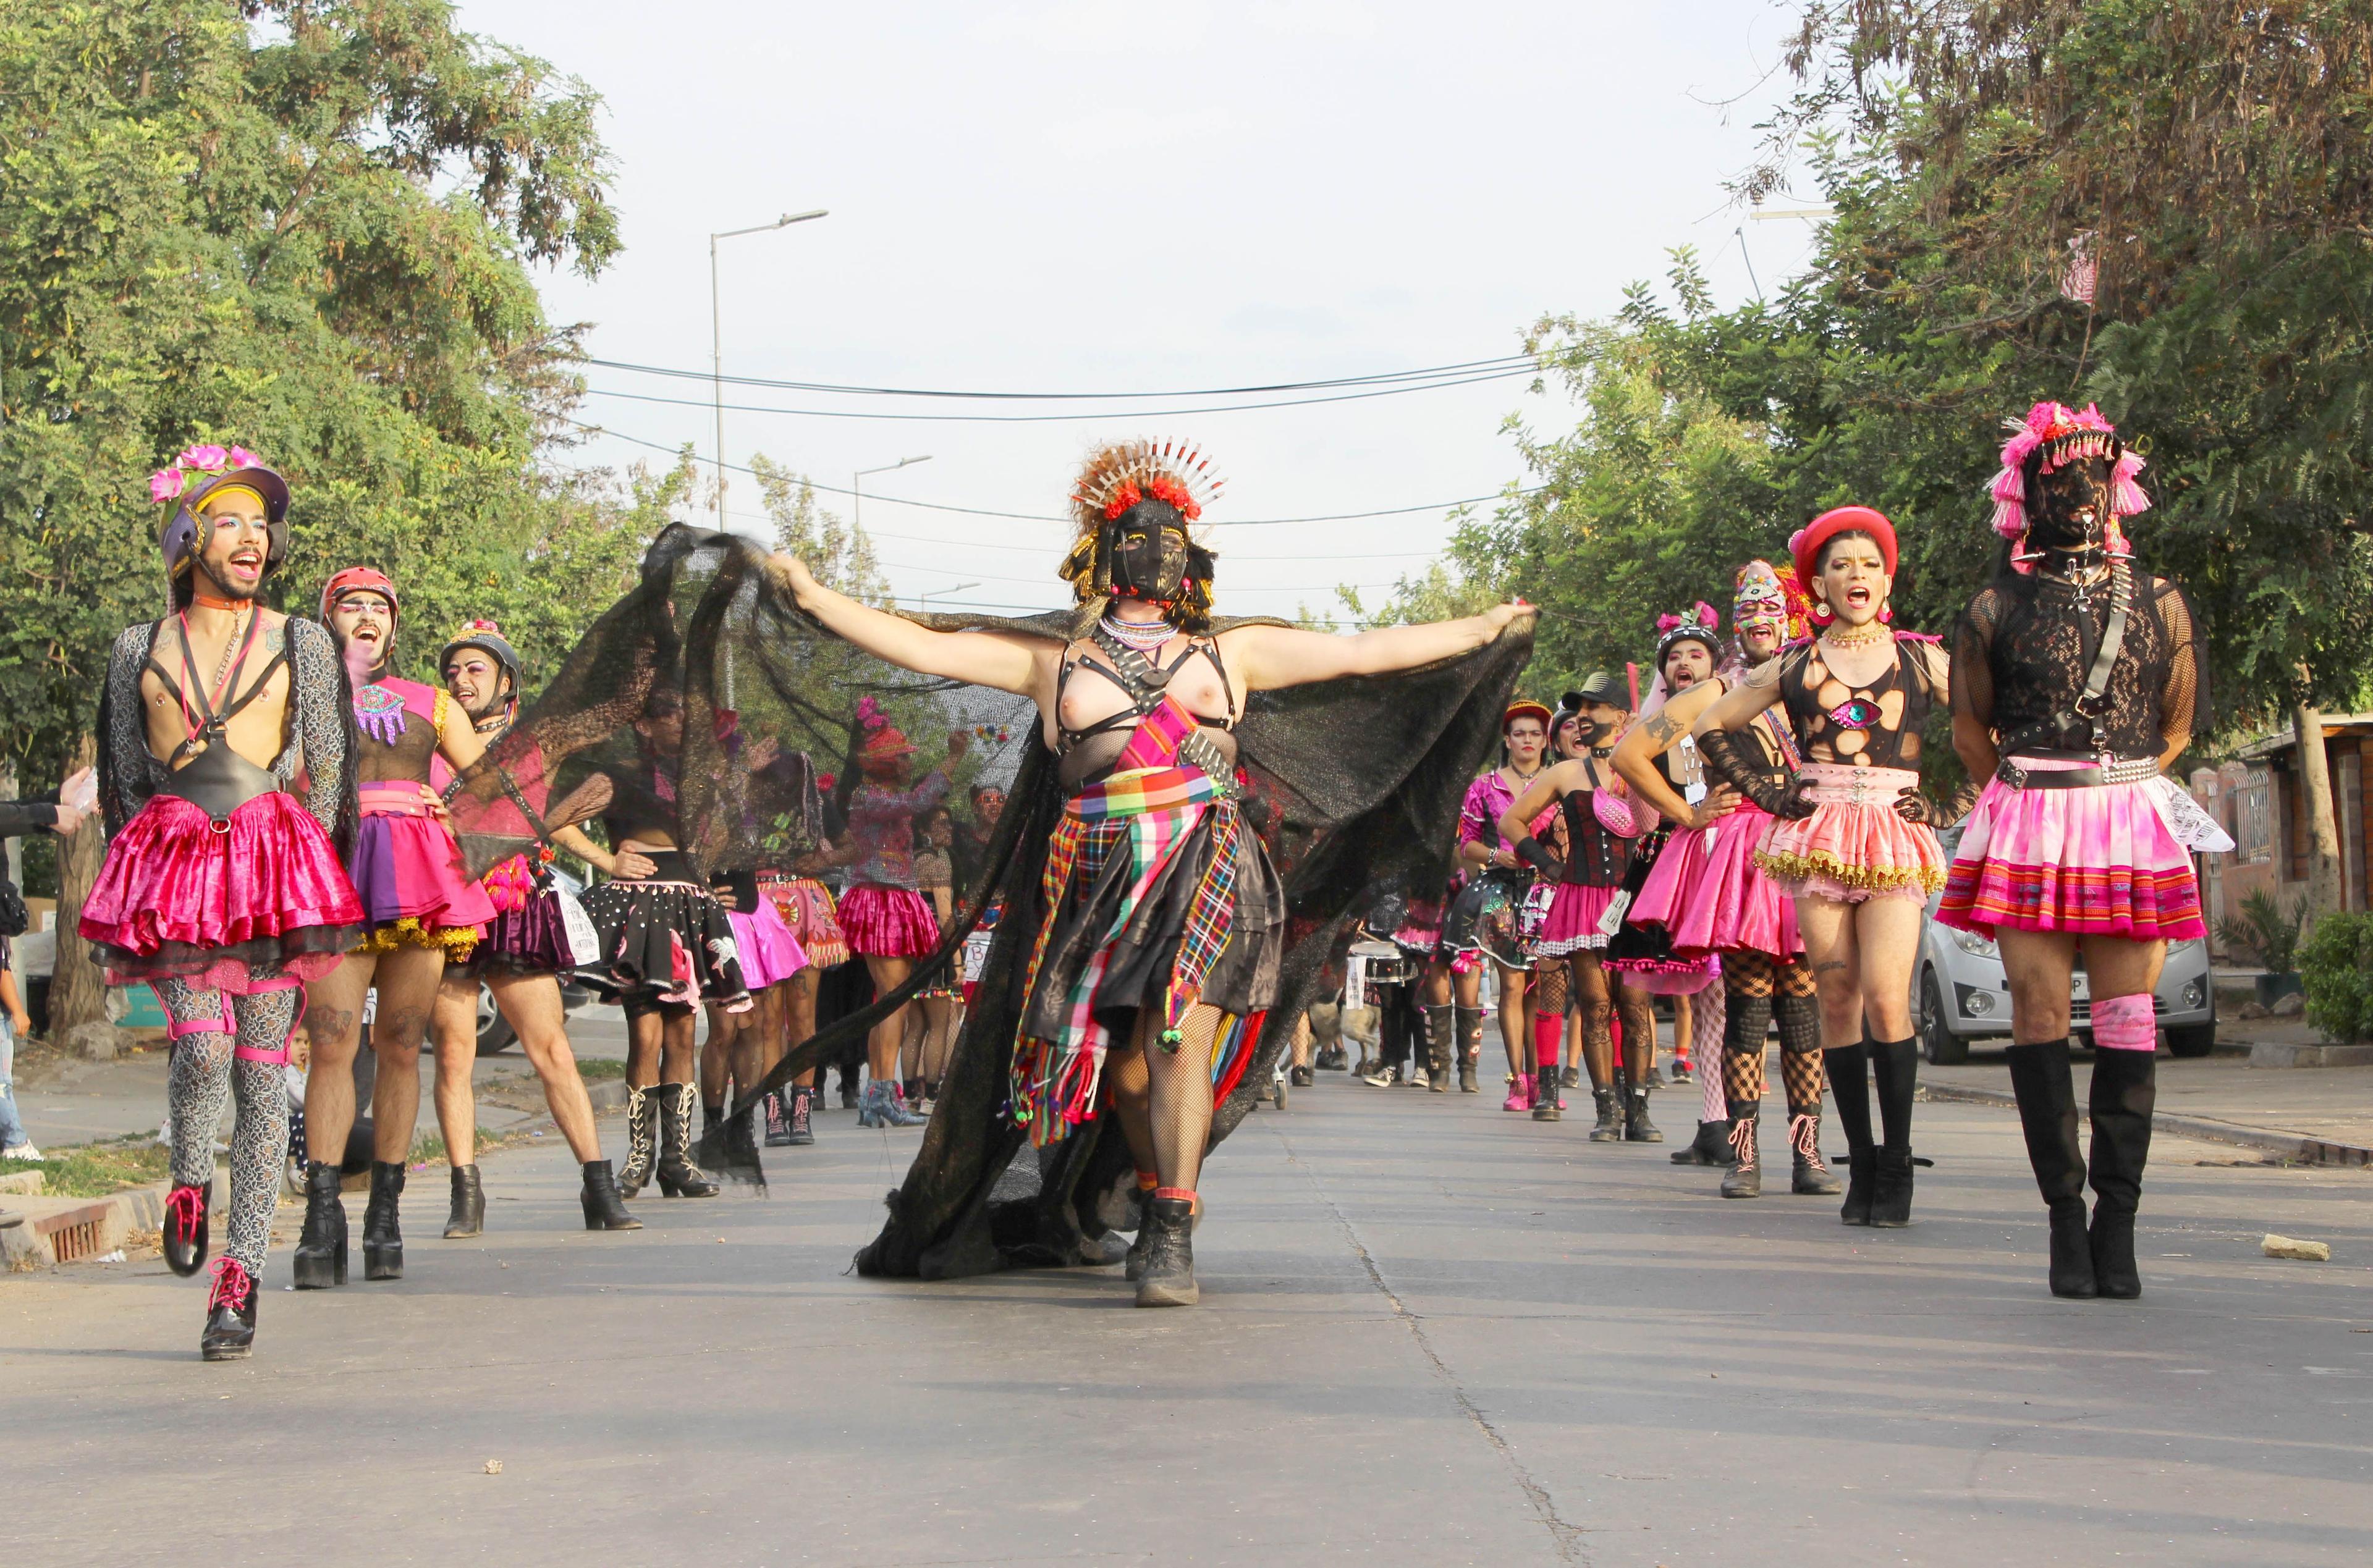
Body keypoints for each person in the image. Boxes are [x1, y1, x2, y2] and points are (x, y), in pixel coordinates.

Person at [771, 439, 1529, 1305]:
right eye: (1137, 533)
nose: (1156, 549)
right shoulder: (1053, 658)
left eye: (1172, 536)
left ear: (1194, 558)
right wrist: (809, 591)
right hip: (1091, 873)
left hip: (1206, 863)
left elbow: (1362, 650)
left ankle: (1172, 1227)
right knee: (1126, 1069)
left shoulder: (1232, 654)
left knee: (1174, 1038)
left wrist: (1484, 627)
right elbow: (923, 645)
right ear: (1102, 549)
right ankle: (1122, 1190)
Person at [81, 444, 365, 1359]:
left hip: (274, 871)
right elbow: (125, 774)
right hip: (177, 867)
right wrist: (151, 861)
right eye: (230, 520)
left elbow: (327, 759)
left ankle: (237, 1279)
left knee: (256, 1071)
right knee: (201, 1049)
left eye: (261, 523)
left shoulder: (303, 640)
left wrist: (304, 860)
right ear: (188, 536)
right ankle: (184, 1183)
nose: (254, 538)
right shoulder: (138, 647)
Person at [1940, 403, 2210, 1299]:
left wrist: (2121, 788)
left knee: (2133, 1019)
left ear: (2118, 486)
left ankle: (2118, 1223)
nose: (2078, 494)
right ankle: (2064, 1217)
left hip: (2127, 813)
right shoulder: (1992, 605)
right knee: (2038, 1013)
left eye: (2094, 476)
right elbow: (1970, 727)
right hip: (2031, 815)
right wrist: (2026, 796)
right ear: (2028, 489)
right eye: (2058, 478)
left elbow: (2176, 722)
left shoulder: (2162, 599)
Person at [1693, 508, 1968, 1226]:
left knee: (1885, 997)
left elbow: (1985, 728)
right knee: (1836, 1000)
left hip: (1892, 833)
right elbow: (1709, 726)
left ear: (1887, 578)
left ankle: (1899, 1163)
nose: (1857, 576)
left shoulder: (1923, 659)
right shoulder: (1797, 663)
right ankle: (1861, 1163)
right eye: (1842, 565)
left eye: (1870, 565)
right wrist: (1767, 793)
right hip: (1818, 836)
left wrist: (1948, 803)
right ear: (1818, 582)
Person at [295, 569, 502, 1288]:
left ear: (393, 625)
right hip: (332, 875)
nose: (365, 616)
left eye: (377, 607)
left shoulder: (433, 701)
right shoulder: (299, 696)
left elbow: (492, 783)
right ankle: (321, 1222)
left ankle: (384, 1218)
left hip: (417, 880)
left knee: (404, 1044)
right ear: (329, 619)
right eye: (350, 606)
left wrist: (452, 805)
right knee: (329, 1041)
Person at [1620, 565, 1840, 1197]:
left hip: (1805, 844)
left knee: (1801, 1011)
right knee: (1747, 1008)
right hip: (1745, 854)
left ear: (1791, 616)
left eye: (1770, 610)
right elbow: (1630, 755)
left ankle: (1809, 1156)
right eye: (1747, 613)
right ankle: (1744, 1158)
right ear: (1735, 625)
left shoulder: (1812, 677)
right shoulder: (1713, 692)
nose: (1759, 622)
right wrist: (1687, 813)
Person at [423, 620, 641, 1237]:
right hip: (452, 905)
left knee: (551, 1049)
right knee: (454, 1056)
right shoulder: (429, 739)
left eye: (475, 669)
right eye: (453, 671)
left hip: (519, 902)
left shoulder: (531, 743)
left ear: (506, 680)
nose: (461, 681)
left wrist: (605, 861)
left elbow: (550, 817)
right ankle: (466, 1195)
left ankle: (598, 1185)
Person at [576, 686, 750, 1199]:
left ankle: (678, 1162)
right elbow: (553, 821)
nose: (680, 722)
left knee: (683, 1036)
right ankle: (638, 1161)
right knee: (646, 1038)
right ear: (645, 727)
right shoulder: (619, 776)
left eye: (685, 715)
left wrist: (721, 884)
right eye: (668, 716)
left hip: (692, 910)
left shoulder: (705, 780)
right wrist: (609, 862)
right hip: (641, 914)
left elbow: (733, 840)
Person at [1500, 672, 1662, 1140]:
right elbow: (1514, 822)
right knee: (1594, 1005)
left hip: (1633, 901)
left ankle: (1640, 1111)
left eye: (1594, 709)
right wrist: (1549, 869)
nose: (1584, 718)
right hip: (1582, 899)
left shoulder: (1644, 765)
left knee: (1634, 1006)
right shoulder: (1566, 773)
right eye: (1580, 710)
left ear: (1623, 717)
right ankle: (1606, 1112)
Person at [837, 706, 968, 1128]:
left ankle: (878, 1094)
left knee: (889, 1000)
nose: (911, 763)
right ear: (885, 761)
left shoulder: (871, 795)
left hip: (889, 897)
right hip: (882, 901)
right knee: (893, 1000)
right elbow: (917, 800)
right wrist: (951, 760)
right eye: (905, 756)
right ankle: (883, 1093)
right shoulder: (872, 796)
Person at [1444, 701, 1557, 1106]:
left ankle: (1543, 1077)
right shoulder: (1483, 786)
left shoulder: (1561, 780)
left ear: (1546, 741)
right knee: (1510, 983)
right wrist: (1496, 856)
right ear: (1507, 741)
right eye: (1519, 734)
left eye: (1534, 734)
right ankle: (1517, 1081)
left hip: (1549, 892)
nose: (1527, 740)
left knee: (1542, 988)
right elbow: (1467, 843)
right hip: (1498, 894)